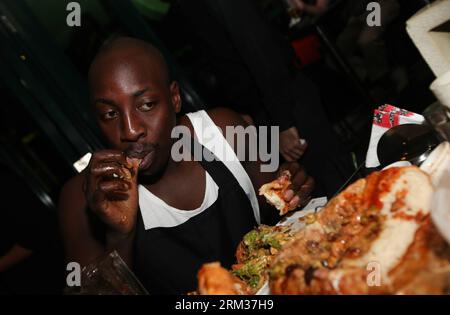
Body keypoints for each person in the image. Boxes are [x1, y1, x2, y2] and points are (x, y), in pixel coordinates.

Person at [58, 37, 315, 294]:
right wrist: (120, 237)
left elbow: (290, 211)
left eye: (146, 105)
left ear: (175, 98)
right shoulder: (79, 199)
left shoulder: (225, 129)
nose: (130, 130)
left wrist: (295, 187)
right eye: (110, 114)